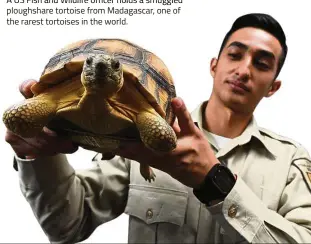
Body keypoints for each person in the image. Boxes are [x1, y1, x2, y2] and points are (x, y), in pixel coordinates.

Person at [5, 13, 311, 243]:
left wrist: (215, 182)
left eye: (261, 63)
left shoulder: (290, 164)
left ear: (273, 86)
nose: (243, 70)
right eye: (235, 54)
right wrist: (36, 156)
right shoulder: (140, 149)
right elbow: (66, 224)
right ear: (214, 65)